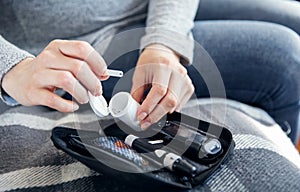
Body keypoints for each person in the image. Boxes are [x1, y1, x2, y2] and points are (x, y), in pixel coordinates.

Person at [0, 0, 299, 143]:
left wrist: (164, 44)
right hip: (84, 47)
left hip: (149, 6)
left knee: (294, 17)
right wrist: (13, 67)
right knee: (285, 57)